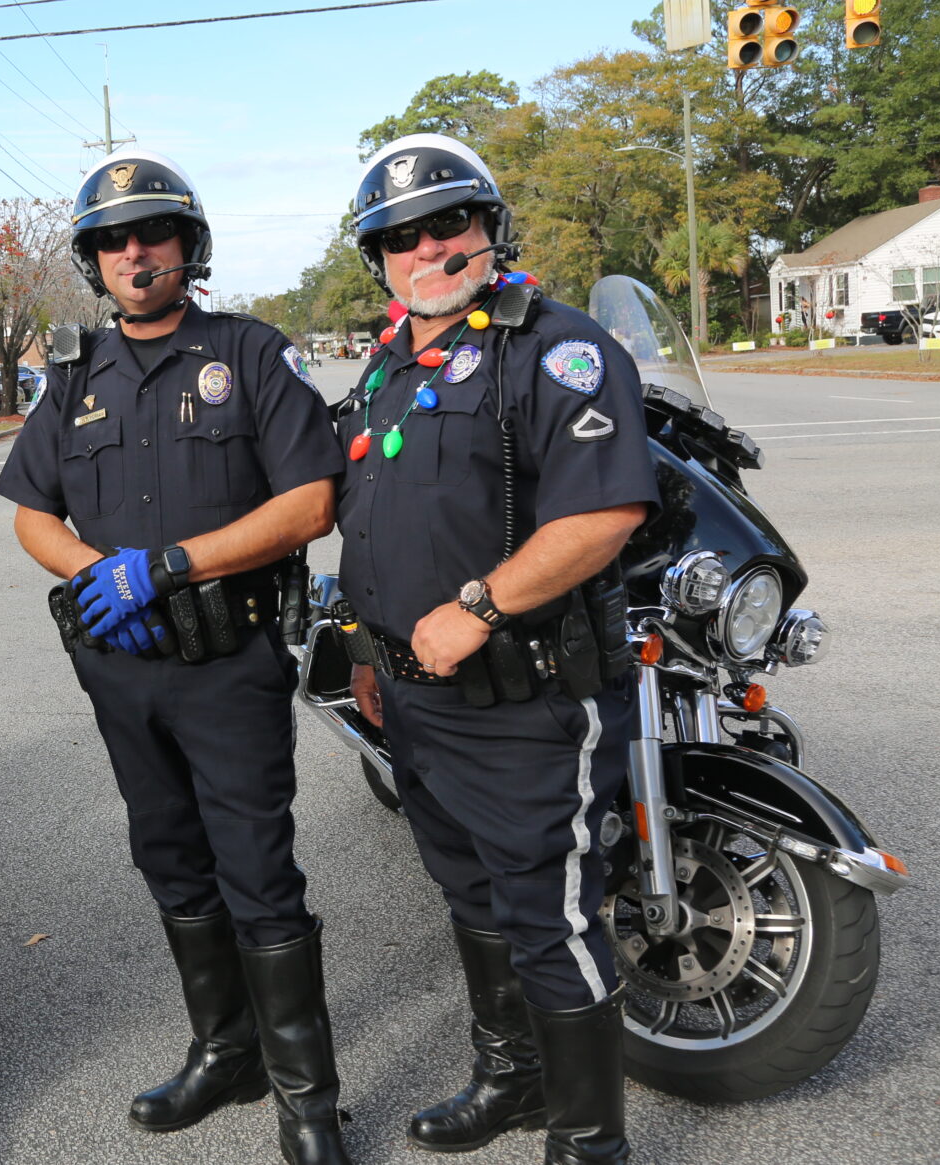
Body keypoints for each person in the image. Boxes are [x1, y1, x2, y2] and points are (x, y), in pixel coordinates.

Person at [0, 151, 354, 1165]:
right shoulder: (72, 375)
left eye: (150, 233)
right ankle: (223, 1049)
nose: (132, 252)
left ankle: (307, 1100)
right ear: (91, 260)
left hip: (227, 659)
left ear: (188, 246)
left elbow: (308, 504)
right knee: (167, 856)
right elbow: (28, 511)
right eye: (111, 239)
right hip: (120, 665)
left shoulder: (248, 353)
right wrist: (93, 573)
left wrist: (169, 566)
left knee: (254, 870)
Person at [334, 133, 657, 1164]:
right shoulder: (391, 361)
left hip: (526, 701)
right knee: (468, 893)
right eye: (397, 237)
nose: (426, 248)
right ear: (376, 259)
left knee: (549, 917)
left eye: (447, 223)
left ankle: (588, 1144)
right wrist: (363, 654)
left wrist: (477, 604)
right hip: (412, 692)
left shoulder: (557, 347)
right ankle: (511, 1079)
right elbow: (375, 519)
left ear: (488, 227)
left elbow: (601, 515)